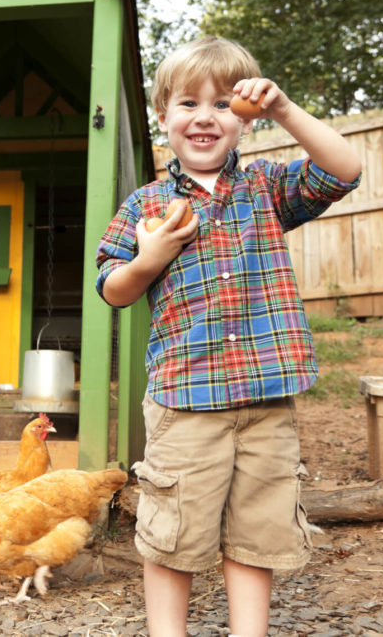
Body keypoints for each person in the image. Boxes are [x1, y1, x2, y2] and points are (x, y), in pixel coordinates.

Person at [95, 36, 361, 636]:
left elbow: (344, 170)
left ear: (244, 120)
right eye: (189, 103)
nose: (206, 117)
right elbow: (112, 287)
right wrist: (149, 259)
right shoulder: (146, 205)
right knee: (173, 535)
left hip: (266, 400)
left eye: (223, 104)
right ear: (162, 115)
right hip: (186, 402)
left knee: (256, 532)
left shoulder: (265, 187)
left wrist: (284, 109)